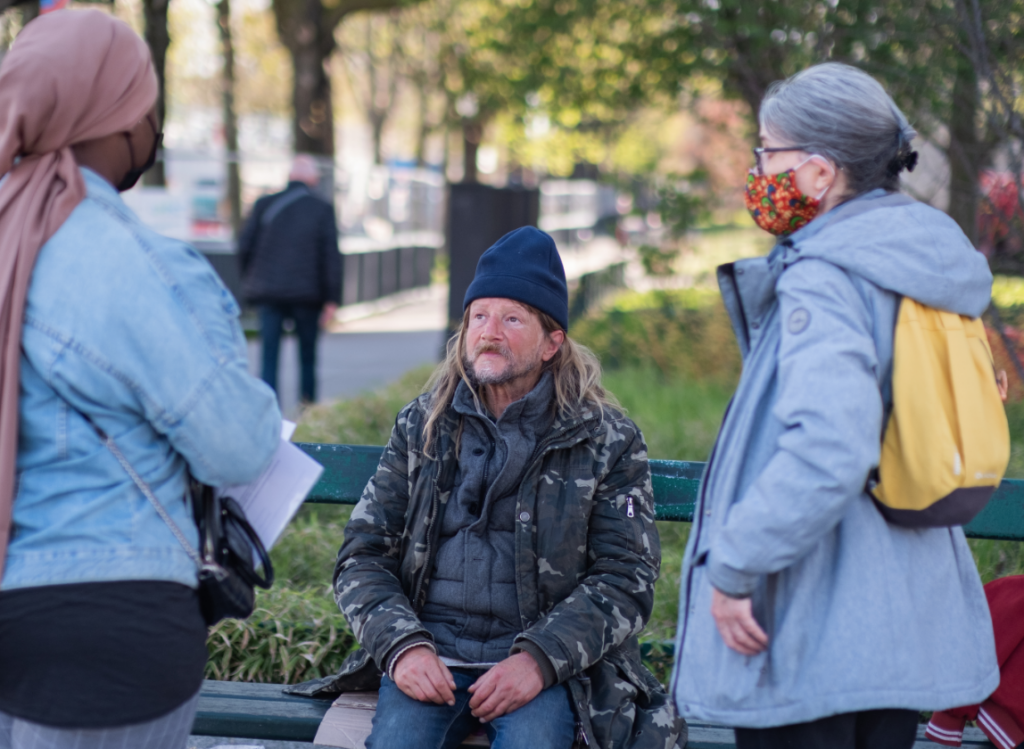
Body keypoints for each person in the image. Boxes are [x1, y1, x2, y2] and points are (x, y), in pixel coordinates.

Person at [670, 62, 999, 749]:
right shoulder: (920, 260)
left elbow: (830, 449)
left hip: (814, 635)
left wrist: (733, 568)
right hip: (899, 626)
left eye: (769, 150)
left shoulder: (827, 276)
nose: (759, 168)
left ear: (819, 173)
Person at [286, 226, 686, 749]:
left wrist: (539, 661)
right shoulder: (423, 424)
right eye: (479, 315)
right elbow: (362, 555)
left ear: (552, 342)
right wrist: (403, 647)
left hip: (540, 665)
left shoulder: (604, 438)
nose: (489, 331)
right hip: (431, 655)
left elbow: (626, 576)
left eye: (512, 318)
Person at [0, 11, 281, 749]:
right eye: (147, 106)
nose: (152, 127)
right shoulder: (129, 261)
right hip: (106, 626)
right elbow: (239, 445)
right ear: (113, 117)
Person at [238, 154, 341, 406]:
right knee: (308, 356)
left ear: (290, 176)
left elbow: (244, 246)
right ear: (312, 178)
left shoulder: (264, 204)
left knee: (268, 357)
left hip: (268, 293)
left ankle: (269, 413)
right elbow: (330, 256)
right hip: (307, 295)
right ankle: (307, 411)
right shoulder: (322, 208)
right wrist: (331, 299)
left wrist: (252, 279)